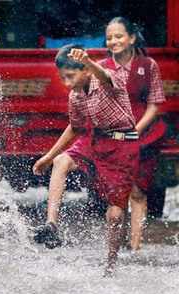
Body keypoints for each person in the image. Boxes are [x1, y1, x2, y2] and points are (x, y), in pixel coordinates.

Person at [32, 44, 139, 275]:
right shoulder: (76, 95)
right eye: (62, 77)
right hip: (95, 139)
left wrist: (90, 62)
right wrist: (48, 157)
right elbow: (75, 127)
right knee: (62, 161)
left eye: (70, 76)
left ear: (86, 71)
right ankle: (52, 224)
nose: (66, 82)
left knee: (115, 213)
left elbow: (104, 75)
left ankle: (110, 264)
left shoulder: (107, 79)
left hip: (122, 146)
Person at [103, 17, 166, 251]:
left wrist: (136, 130)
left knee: (138, 191)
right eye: (109, 37)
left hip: (145, 135)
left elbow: (155, 104)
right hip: (113, 137)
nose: (113, 41)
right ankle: (112, 250)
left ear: (131, 38)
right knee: (115, 195)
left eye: (118, 36)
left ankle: (135, 247)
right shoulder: (101, 67)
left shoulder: (149, 65)